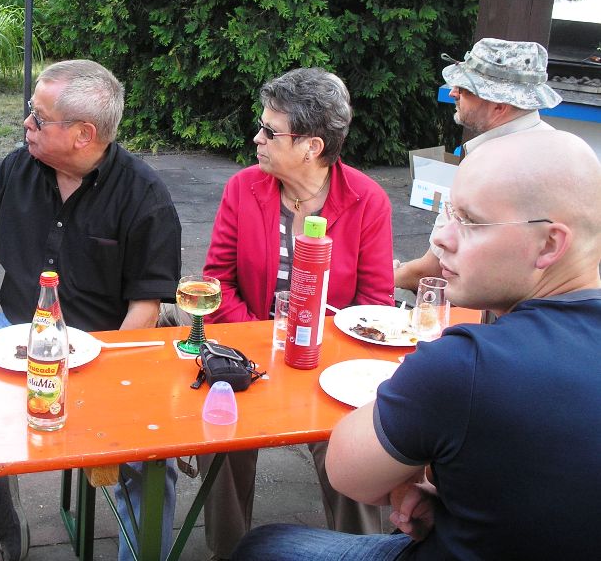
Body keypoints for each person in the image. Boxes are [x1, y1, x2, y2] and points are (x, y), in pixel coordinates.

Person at [231, 129, 601, 560]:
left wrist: (419, 467)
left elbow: (348, 473)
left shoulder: (467, 363)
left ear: (550, 244)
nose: (441, 238)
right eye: (449, 213)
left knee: (266, 545)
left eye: (470, 221)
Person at [0, 60, 182, 561]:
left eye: (39, 118)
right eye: (31, 111)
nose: (26, 123)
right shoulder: (15, 169)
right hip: (11, 333)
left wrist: (106, 380)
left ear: (84, 134)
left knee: (151, 462)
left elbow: (146, 307)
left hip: (101, 348)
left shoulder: (144, 196)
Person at [199, 67, 395, 560]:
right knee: (220, 434)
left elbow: (375, 306)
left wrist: (320, 354)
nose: (257, 138)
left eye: (270, 131)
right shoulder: (243, 188)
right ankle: (229, 552)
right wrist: (264, 342)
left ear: (311, 146)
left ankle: (361, 552)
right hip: (247, 352)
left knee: (350, 443)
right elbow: (217, 282)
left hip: (331, 362)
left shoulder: (366, 200)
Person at [394, 38, 562, 293]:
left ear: (499, 106)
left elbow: (433, 270)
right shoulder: (556, 147)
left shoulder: (491, 165)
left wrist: (382, 275)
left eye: (464, 89)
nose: (453, 93)